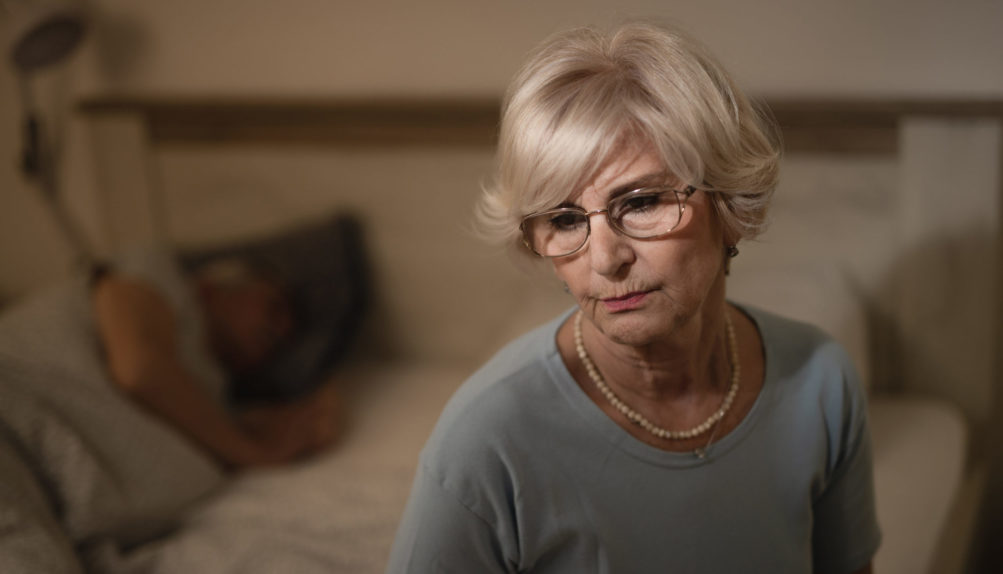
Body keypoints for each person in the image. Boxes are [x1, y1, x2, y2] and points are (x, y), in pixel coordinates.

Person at [388, 22, 880, 573]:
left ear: (730, 207)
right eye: (565, 218)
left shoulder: (822, 384)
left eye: (642, 201)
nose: (604, 258)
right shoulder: (485, 441)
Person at [93, 251, 341, 469]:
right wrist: (255, 452)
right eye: (274, 307)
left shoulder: (217, 392)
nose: (278, 332)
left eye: (280, 347)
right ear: (210, 288)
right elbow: (139, 371)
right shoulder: (154, 277)